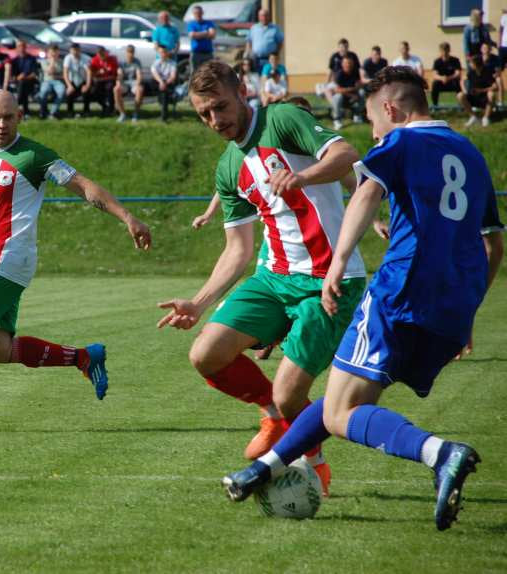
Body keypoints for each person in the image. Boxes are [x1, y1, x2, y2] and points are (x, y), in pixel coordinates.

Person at [222, 66, 504, 531]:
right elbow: (494, 245)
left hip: (401, 290)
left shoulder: (400, 142)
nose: (373, 131)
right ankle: (264, 468)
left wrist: (338, 261)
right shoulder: (472, 155)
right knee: (342, 391)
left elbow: (367, 193)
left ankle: (440, 452)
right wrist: (468, 312)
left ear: (391, 109)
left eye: (374, 119)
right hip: (453, 306)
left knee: (340, 411)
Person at [157, 61, 367, 496]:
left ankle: (315, 462)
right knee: (206, 355)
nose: (216, 120)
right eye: (204, 114)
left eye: (220, 106)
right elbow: (238, 249)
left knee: (296, 395)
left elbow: (347, 154)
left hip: (328, 280)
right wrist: (198, 302)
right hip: (274, 279)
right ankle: (270, 411)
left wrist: (301, 175)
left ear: (243, 91)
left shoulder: (283, 119)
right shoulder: (228, 167)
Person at [0, 89, 152, 434]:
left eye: (9, 117)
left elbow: (83, 186)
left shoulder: (34, 156)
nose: (1, 124)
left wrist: (127, 217)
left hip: (8, 254)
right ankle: (84, 357)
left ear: (19, 117)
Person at [459, 55, 498, 127]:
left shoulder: (487, 71)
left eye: (471, 63)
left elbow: (495, 87)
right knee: (460, 95)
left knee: (491, 94)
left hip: (485, 97)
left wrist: (481, 90)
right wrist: (464, 90)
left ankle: (486, 118)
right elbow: (462, 80)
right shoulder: (471, 72)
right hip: (473, 96)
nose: (469, 64)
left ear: (476, 64)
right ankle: (473, 117)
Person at [331, 55, 364, 129]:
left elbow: (358, 85)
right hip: (342, 99)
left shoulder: (355, 72)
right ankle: (337, 120)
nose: (348, 65)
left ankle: (357, 115)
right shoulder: (339, 74)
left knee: (362, 92)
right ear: (342, 64)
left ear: (352, 64)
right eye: (346, 63)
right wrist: (351, 91)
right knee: (337, 96)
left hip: (353, 97)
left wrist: (357, 88)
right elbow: (337, 90)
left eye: (349, 63)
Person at [114, 45, 144, 122]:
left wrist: (138, 84)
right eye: (129, 52)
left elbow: (139, 75)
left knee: (139, 90)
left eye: (132, 52)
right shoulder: (122, 62)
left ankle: (135, 113)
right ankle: (122, 113)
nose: (130, 54)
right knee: (116, 89)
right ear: (126, 52)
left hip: (134, 82)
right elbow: (119, 74)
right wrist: (119, 82)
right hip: (125, 83)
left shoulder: (137, 62)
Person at [10, 40, 38, 117]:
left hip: (30, 82)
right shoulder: (14, 61)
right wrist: (18, 78)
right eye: (19, 46)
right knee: (22, 86)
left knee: (23, 85)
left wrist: (25, 77)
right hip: (18, 83)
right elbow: (12, 76)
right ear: (16, 48)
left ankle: (17, 106)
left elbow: (34, 74)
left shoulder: (31, 59)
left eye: (23, 46)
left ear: (25, 47)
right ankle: (26, 112)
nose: (21, 48)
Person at [37, 44, 65, 120]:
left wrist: (56, 76)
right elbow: (49, 71)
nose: (54, 54)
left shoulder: (61, 62)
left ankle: (53, 112)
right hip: (47, 81)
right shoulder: (44, 61)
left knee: (61, 92)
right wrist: (52, 62)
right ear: (48, 53)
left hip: (58, 81)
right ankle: (43, 111)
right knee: (43, 92)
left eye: (55, 52)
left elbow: (64, 75)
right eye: (52, 52)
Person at [63, 43, 91, 118]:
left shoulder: (86, 58)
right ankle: (70, 112)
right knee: (69, 93)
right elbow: (65, 73)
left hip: (83, 80)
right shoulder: (68, 58)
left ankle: (86, 111)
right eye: (73, 50)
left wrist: (87, 85)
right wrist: (69, 85)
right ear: (70, 51)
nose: (75, 52)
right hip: (72, 80)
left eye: (77, 50)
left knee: (86, 92)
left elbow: (88, 72)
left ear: (80, 50)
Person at [89, 46, 118, 117]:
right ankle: (105, 107)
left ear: (105, 53)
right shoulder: (94, 60)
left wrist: (103, 76)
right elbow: (92, 73)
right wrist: (98, 73)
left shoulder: (112, 59)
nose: (101, 56)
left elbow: (114, 74)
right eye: (99, 54)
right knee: (94, 92)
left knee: (110, 88)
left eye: (102, 54)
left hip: (109, 80)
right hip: (99, 81)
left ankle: (111, 109)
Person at [431, 42, 462, 107]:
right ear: (440, 51)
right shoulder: (437, 61)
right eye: (443, 50)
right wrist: (442, 78)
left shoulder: (455, 60)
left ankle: (461, 104)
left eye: (446, 50)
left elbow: (458, 73)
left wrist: (448, 78)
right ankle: (435, 105)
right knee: (434, 84)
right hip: (441, 83)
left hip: (452, 82)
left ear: (449, 50)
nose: (444, 52)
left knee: (457, 83)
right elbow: (434, 75)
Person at [151, 45, 177, 122]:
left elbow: (173, 76)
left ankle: (163, 117)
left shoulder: (172, 63)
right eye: (161, 52)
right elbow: (154, 74)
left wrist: (165, 83)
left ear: (167, 53)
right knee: (153, 83)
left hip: (168, 82)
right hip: (158, 82)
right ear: (158, 53)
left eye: (164, 52)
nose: (163, 54)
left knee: (164, 92)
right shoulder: (155, 63)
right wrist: (161, 82)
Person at [187, 5, 216, 72]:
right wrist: (206, 33)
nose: (198, 15)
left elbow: (213, 35)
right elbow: (192, 35)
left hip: (208, 53)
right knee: (195, 73)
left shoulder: (209, 23)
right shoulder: (191, 24)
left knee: (209, 73)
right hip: (196, 53)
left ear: (202, 13)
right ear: (193, 14)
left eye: (199, 13)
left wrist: (198, 34)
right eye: (196, 13)